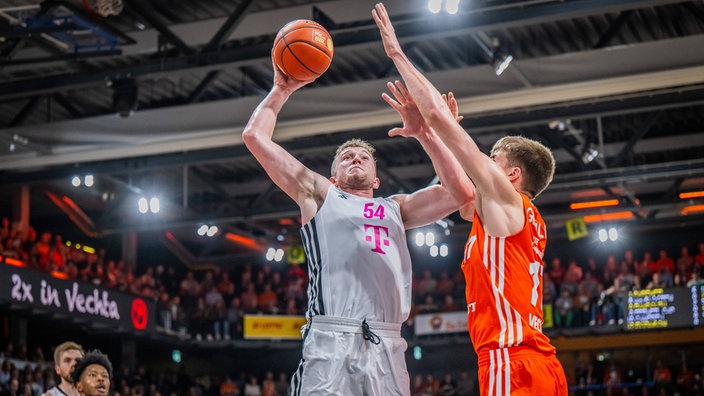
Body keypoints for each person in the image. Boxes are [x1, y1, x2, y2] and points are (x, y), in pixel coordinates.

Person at [241, 34, 473, 395]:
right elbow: (255, 137)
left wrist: (428, 135)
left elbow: (462, 193)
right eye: (346, 157)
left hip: (387, 341)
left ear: (376, 179)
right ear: (334, 176)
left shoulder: (395, 208)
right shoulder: (320, 194)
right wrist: (280, 91)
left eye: (363, 157)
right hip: (332, 336)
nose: (355, 159)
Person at [373, 3, 568, 395]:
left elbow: (441, 118)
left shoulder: (507, 201)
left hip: (510, 362)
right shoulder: (507, 218)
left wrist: (396, 53)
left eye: (492, 161)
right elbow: (460, 193)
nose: (483, 167)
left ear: (511, 175)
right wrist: (426, 136)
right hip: (536, 364)